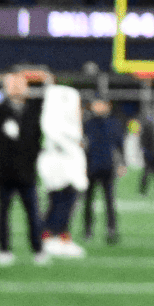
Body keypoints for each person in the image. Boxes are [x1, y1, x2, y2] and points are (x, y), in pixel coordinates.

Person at [0, 70, 45, 266]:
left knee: (33, 214)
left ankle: (38, 249)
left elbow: (38, 139)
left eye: (20, 84)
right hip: (5, 172)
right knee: (3, 213)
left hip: (27, 171)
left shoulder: (35, 110)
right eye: (13, 84)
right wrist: (0, 157)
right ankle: (4, 249)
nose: (17, 88)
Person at [35, 71, 89, 258]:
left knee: (67, 198)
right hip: (59, 158)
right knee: (61, 198)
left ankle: (60, 235)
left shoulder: (62, 108)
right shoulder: (57, 106)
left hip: (65, 157)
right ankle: (51, 236)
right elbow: (52, 129)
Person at [81, 95, 124, 243]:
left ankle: (111, 230)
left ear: (108, 106)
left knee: (110, 201)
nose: (97, 107)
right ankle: (87, 230)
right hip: (90, 166)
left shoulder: (114, 123)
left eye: (100, 104)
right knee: (88, 201)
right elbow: (83, 147)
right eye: (95, 104)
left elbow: (120, 145)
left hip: (107, 166)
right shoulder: (87, 123)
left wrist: (122, 164)